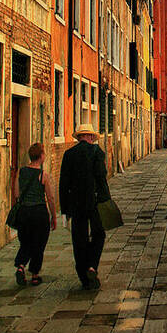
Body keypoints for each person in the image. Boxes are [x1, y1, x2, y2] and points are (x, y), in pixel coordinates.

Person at [59, 123, 108, 289]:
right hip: (94, 202)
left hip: (76, 203)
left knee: (79, 239)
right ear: (91, 137)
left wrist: (64, 210)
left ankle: (83, 276)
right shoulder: (97, 153)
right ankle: (92, 265)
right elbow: (101, 178)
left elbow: (63, 184)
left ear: (79, 137)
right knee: (99, 234)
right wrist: (106, 200)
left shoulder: (68, 154)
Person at [14, 143, 56, 287]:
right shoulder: (43, 175)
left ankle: (20, 266)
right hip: (39, 212)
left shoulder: (21, 172)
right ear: (42, 156)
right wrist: (54, 216)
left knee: (25, 241)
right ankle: (35, 275)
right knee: (39, 243)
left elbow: (16, 194)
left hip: (24, 212)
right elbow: (50, 198)